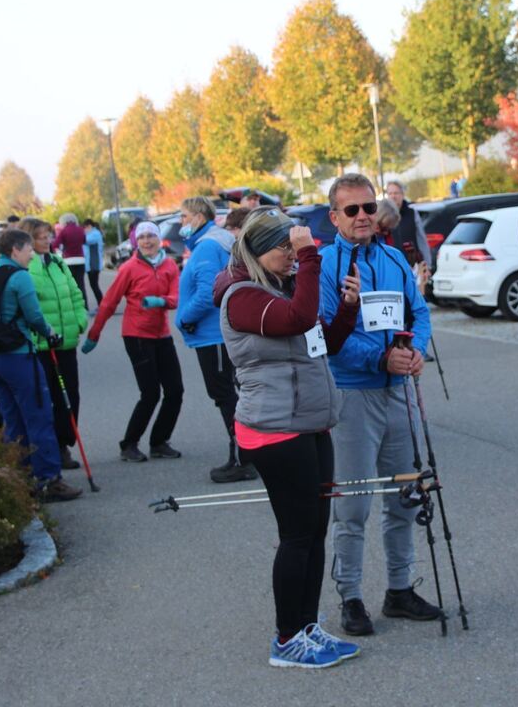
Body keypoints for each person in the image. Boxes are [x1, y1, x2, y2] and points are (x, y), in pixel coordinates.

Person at [215, 208, 362, 669]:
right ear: (260, 251)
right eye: (284, 248)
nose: (292, 255)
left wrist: (349, 310)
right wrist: (311, 258)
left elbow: (323, 342)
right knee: (297, 535)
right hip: (274, 429)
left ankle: (308, 625)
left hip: (310, 423)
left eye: (293, 247)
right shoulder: (241, 297)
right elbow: (298, 319)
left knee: (316, 531)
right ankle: (286, 639)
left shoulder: (282, 289)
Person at [319, 173, 442, 637]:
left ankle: (399, 589)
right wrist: (380, 357)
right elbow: (328, 336)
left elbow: (420, 313)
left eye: (368, 207)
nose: (363, 216)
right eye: (351, 210)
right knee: (353, 507)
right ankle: (350, 596)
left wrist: (417, 352)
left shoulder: (392, 257)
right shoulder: (327, 265)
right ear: (334, 217)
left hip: (399, 393)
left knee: (406, 498)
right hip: (352, 395)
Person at [0, 229, 79, 502]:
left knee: (12, 418)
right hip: (17, 354)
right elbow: (34, 315)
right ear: (15, 250)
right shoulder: (19, 277)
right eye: (28, 250)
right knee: (39, 416)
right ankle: (49, 478)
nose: (32, 254)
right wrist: (51, 333)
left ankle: (20, 476)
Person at [84, 221, 183, 462]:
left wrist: (161, 301)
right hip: (136, 335)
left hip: (162, 333)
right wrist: (94, 334)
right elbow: (109, 302)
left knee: (175, 391)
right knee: (150, 393)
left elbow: (176, 296)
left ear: (159, 239)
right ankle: (129, 444)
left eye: (151, 236)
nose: (147, 241)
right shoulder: (129, 268)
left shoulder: (169, 264)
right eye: (142, 238)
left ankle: (159, 442)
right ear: (135, 242)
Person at [174, 197, 255, 483]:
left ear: (198, 216)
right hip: (218, 333)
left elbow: (209, 291)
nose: (181, 223)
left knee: (226, 397)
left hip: (213, 335)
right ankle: (246, 455)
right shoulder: (213, 241)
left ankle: (243, 458)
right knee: (231, 395)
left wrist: (184, 318)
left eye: (184, 217)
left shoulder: (208, 245)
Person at [20, 217, 89, 474]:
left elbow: (75, 293)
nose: (47, 241)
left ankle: (64, 442)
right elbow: (29, 305)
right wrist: (41, 332)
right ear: (28, 240)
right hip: (42, 345)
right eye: (40, 237)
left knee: (71, 396)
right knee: (48, 397)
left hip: (66, 340)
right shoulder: (28, 268)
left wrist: (80, 321)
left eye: (49, 235)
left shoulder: (59, 262)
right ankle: (50, 449)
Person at [383, 181, 432, 268]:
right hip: (391, 266)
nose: (393, 196)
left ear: (402, 195)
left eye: (396, 193)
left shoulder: (412, 213)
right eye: (390, 193)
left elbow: (422, 240)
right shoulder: (382, 216)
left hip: (413, 267)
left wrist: (427, 265)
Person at [52, 213, 88, 305]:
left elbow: (55, 244)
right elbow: (84, 241)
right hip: (80, 259)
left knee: (70, 284)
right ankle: (85, 305)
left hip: (68, 260)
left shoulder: (64, 231)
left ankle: (74, 304)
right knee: (81, 284)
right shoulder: (80, 229)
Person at [82, 218, 106, 312]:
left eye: (85, 227)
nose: (84, 230)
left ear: (90, 226)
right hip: (91, 264)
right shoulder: (92, 233)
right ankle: (102, 304)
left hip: (94, 264)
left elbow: (86, 241)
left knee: (94, 285)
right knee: (94, 285)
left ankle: (102, 305)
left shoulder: (94, 234)